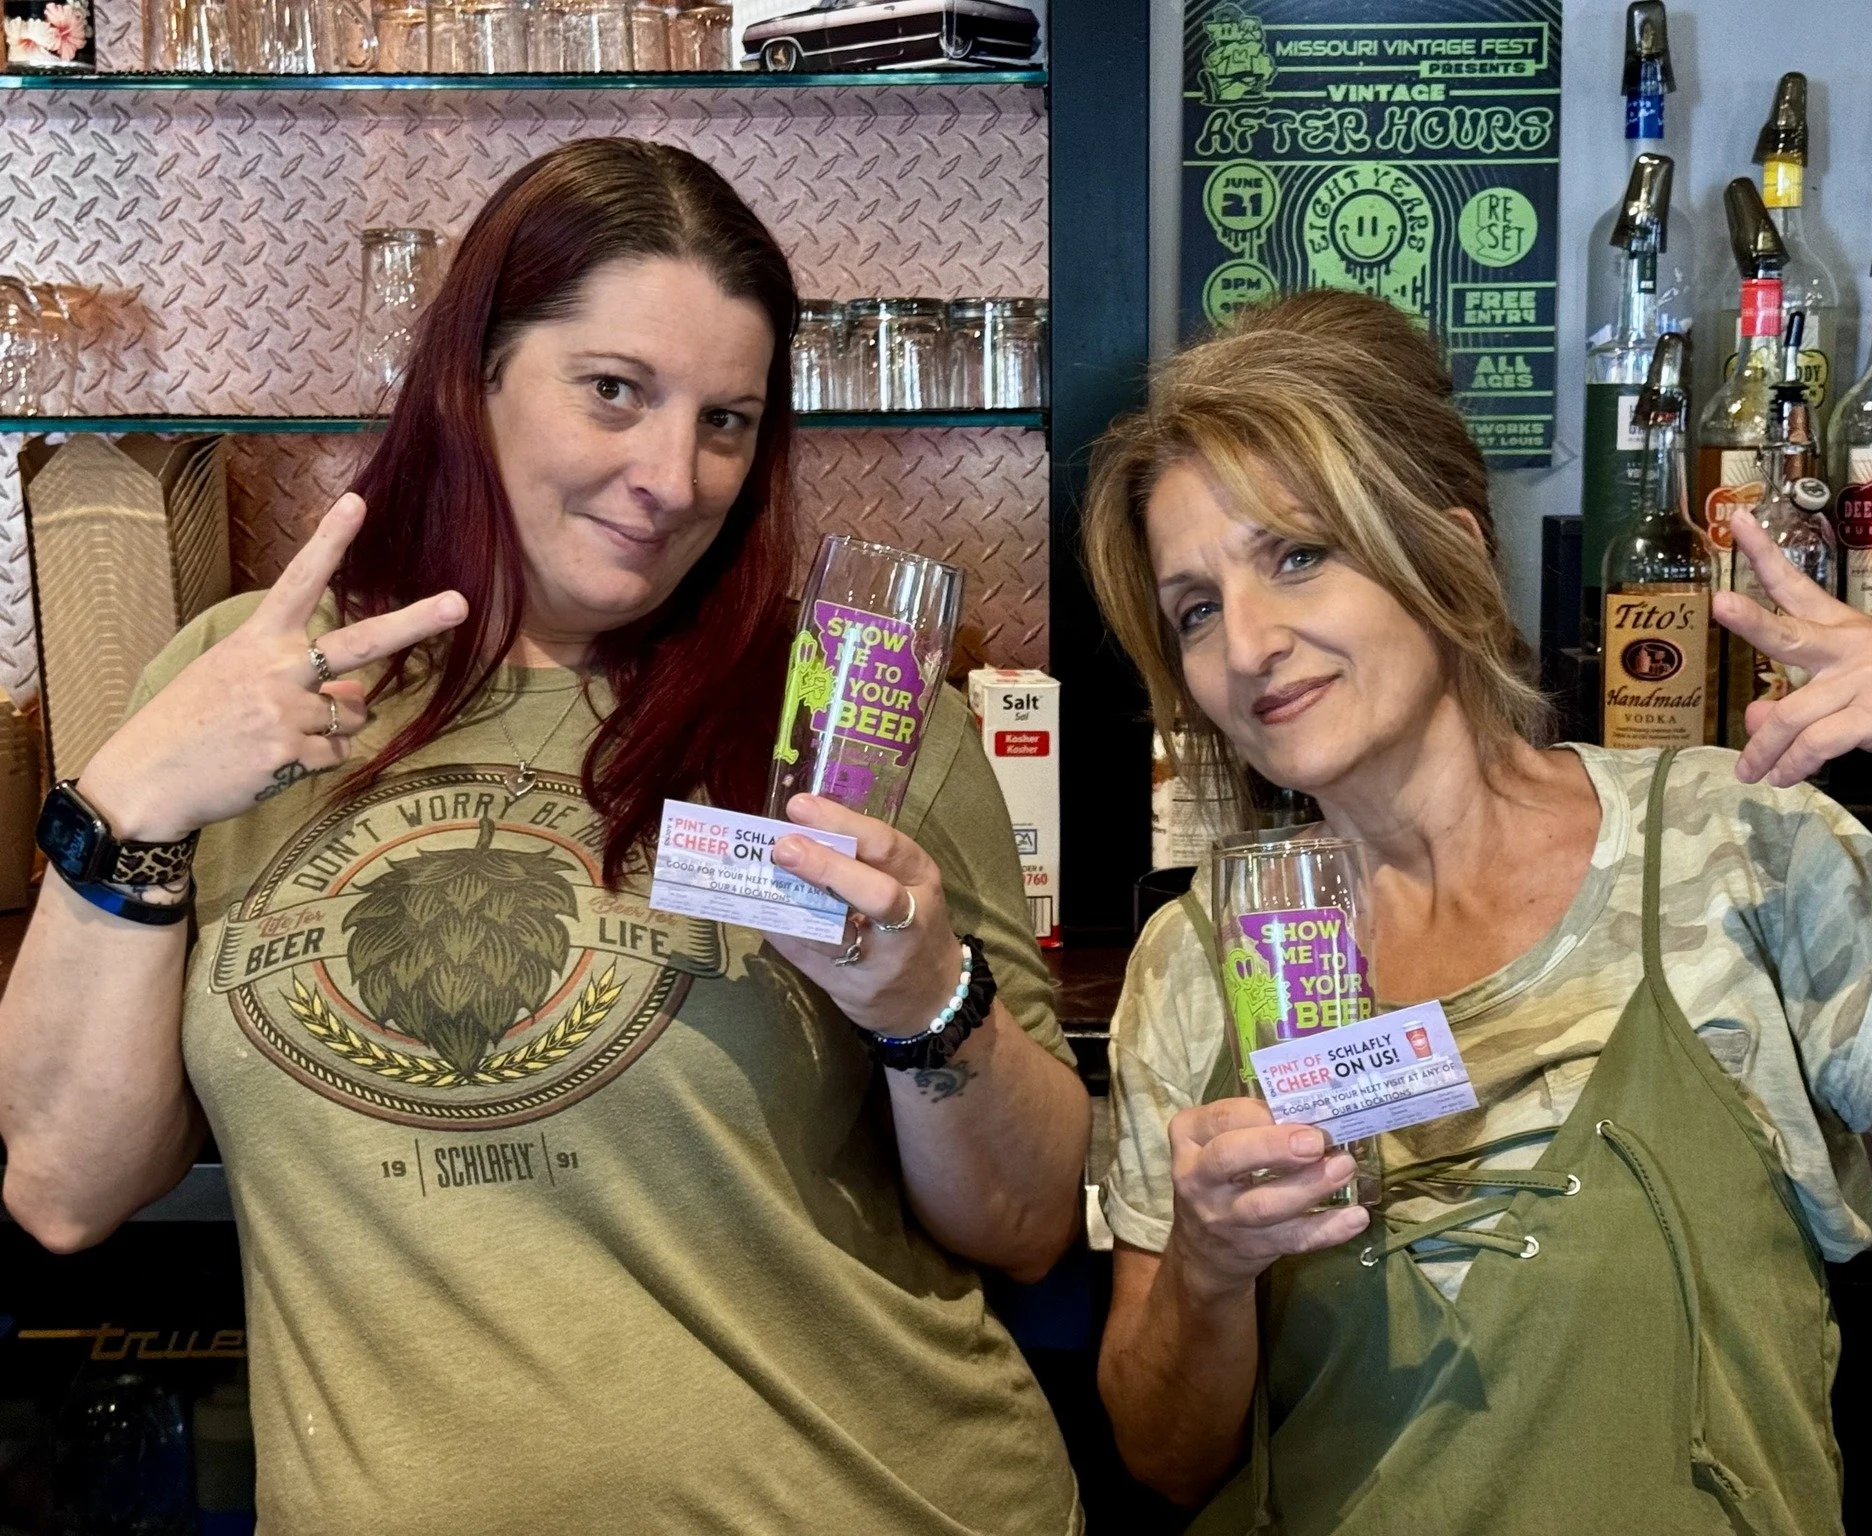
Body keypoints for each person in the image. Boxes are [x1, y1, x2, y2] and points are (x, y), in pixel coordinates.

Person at [0, 138, 1089, 1534]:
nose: (673, 474)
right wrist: (132, 797)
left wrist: (928, 1006)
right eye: (616, 392)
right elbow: (67, 1190)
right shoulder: (252, 686)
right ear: (477, 378)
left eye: (727, 421)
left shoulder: (848, 721)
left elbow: (1028, 1221)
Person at [1082, 289, 1872, 1533]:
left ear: (1451, 547)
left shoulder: (1732, 843)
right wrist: (1208, 1273)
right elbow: (1165, 1459)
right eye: (1196, 609)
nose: (1248, 643)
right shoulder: (1196, 960)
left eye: (1296, 555)